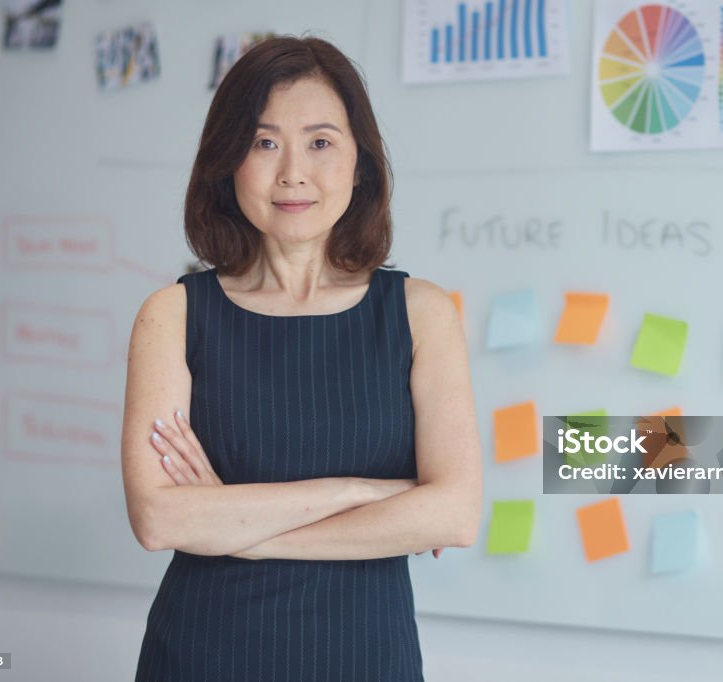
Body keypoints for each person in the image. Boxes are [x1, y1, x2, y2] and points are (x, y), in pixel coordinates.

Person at [120, 34, 482, 681]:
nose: (292, 172)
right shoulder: (170, 316)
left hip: (365, 657)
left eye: (320, 142)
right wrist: (358, 493)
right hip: (205, 653)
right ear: (228, 161)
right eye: (264, 143)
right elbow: (157, 517)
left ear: (360, 164)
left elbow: (454, 513)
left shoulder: (422, 314)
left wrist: (237, 529)